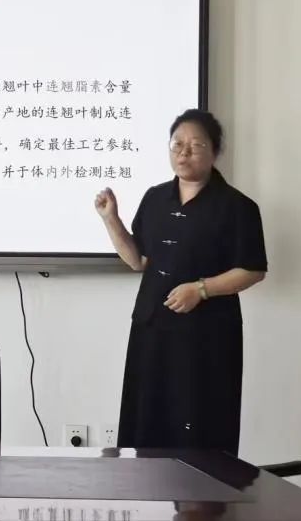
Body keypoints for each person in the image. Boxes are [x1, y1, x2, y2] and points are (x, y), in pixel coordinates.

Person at [94, 109, 267, 455]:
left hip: (207, 338)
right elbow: (138, 261)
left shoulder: (237, 206)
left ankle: (202, 492)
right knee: (147, 423)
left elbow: (253, 270)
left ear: (215, 151)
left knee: (201, 425)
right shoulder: (155, 198)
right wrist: (111, 219)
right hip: (152, 330)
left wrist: (201, 289)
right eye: (177, 144)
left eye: (196, 145)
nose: (184, 153)